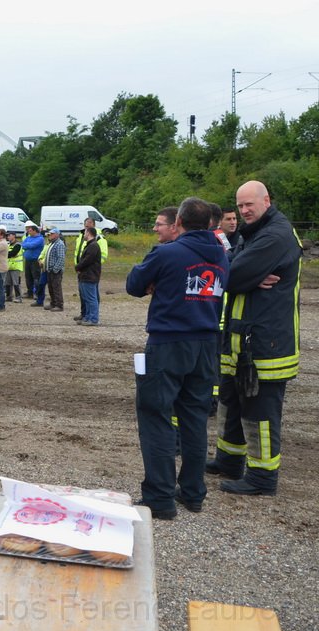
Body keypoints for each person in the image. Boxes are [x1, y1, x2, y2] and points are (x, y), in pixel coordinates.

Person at [126, 197, 228, 519]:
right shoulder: (223, 257)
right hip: (206, 345)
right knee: (195, 420)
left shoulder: (167, 253)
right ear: (210, 224)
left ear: (179, 223)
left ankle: (160, 498)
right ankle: (194, 493)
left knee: (156, 416)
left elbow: (133, 285)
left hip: (169, 343)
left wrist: (159, 281)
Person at [207, 180, 302, 496]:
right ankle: (229, 461)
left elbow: (229, 276)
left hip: (266, 344)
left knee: (259, 411)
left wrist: (241, 275)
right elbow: (232, 269)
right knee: (231, 402)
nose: (245, 210)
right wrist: (246, 275)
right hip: (242, 341)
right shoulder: (255, 232)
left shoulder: (274, 236)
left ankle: (262, 477)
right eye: (240, 205)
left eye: (250, 204)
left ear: (267, 201)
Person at [74, 217, 109, 321]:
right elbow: (79, 253)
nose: (85, 229)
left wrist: (79, 266)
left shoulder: (98, 240)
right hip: (84, 273)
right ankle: (86, 315)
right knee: (85, 296)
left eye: (87, 227)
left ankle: (92, 318)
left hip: (91, 273)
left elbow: (92, 258)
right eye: (85, 226)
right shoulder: (82, 238)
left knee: (91, 297)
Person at [75, 226, 102, 326]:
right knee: (86, 298)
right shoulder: (90, 245)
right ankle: (87, 317)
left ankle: (93, 319)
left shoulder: (93, 246)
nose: (83, 235)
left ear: (89, 233)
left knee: (91, 298)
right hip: (85, 276)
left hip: (90, 276)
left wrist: (77, 267)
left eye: (85, 232)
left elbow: (87, 260)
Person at [44, 228, 66, 312]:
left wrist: (55, 269)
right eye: (49, 234)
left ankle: (59, 305)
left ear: (57, 234)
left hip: (55, 271)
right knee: (51, 288)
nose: (50, 235)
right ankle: (53, 303)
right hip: (50, 270)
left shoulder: (59, 244)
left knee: (56, 288)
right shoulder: (52, 243)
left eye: (52, 234)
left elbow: (61, 258)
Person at [20, 221, 44, 298]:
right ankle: (29, 292)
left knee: (36, 277)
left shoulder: (40, 239)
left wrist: (27, 245)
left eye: (30, 230)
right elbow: (23, 245)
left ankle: (37, 292)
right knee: (28, 277)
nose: (28, 232)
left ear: (34, 230)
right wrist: (27, 245)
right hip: (28, 260)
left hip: (35, 260)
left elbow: (32, 245)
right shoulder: (28, 238)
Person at [6, 231, 24, 303]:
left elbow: (12, 253)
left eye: (9, 236)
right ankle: (9, 296)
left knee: (16, 282)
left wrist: (5, 253)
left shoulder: (18, 245)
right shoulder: (8, 244)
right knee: (7, 283)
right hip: (8, 266)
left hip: (16, 266)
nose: (8, 237)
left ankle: (18, 297)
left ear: (13, 236)